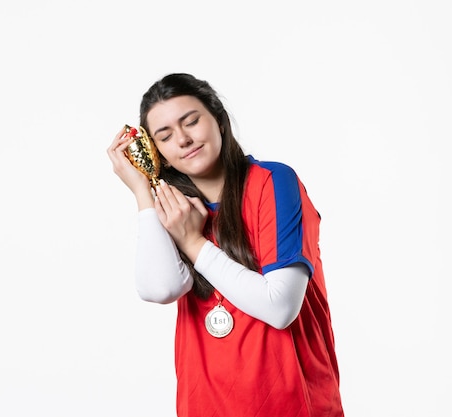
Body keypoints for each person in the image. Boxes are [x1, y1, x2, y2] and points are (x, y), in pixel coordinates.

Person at [107, 73, 344, 417]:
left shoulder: (273, 182)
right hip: (205, 404)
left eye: (191, 122)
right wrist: (144, 191)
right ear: (156, 151)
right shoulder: (175, 209)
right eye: (166, 136)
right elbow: (161, 288)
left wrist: (193, 242)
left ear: (218, 119)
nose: (184, 140)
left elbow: (280, 307)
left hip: (292, 405)